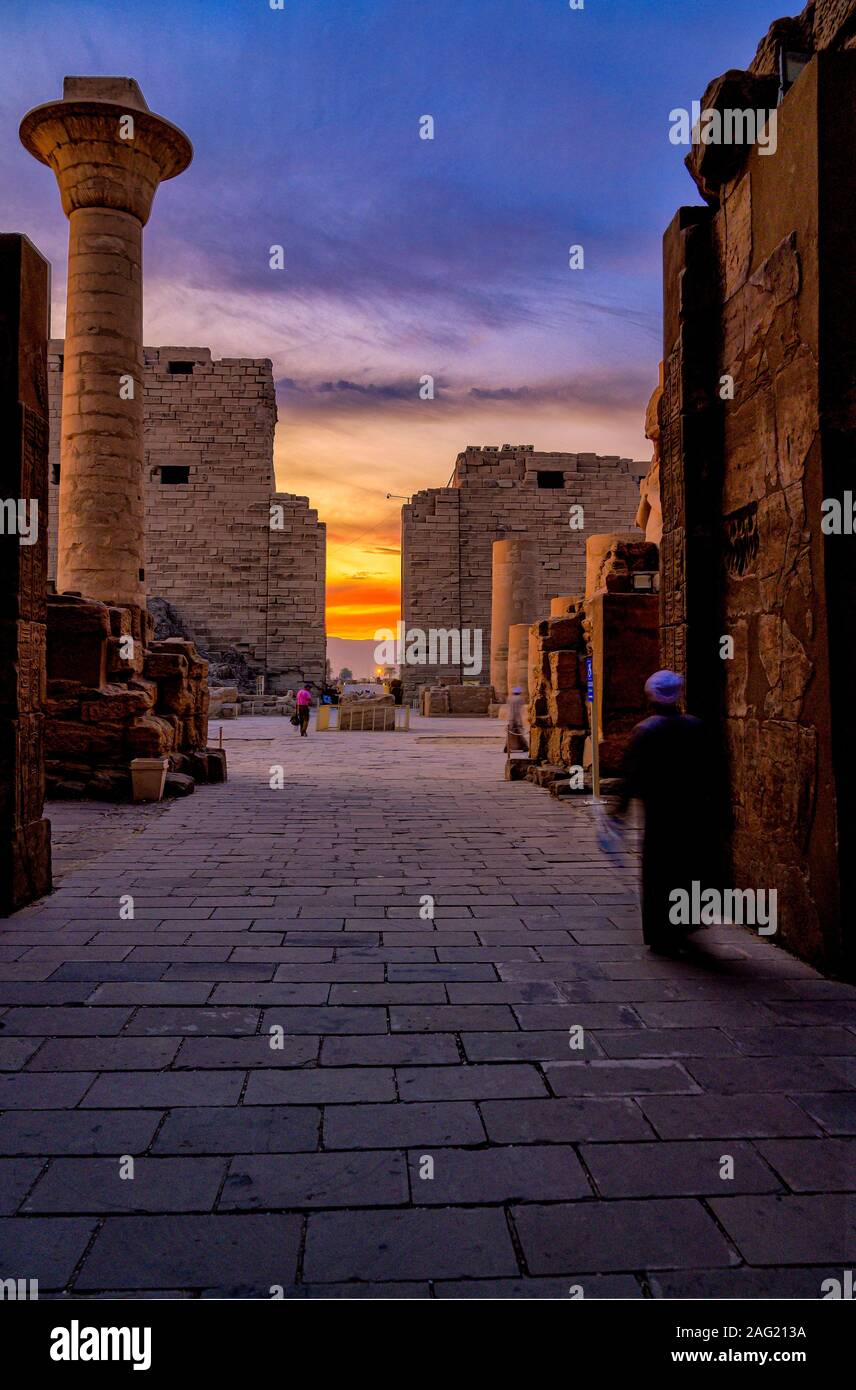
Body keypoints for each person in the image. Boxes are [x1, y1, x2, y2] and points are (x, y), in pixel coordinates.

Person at [609, 669, 725, 955]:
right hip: (692, 813)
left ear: (651, 698)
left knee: (660, 873)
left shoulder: (646, 731)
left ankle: (662, 932)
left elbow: (631, 776)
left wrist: (618, 811)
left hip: (660, 815)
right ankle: (684, 923)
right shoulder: (696, 727)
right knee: (688, 868)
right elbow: (715, 773)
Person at [506, 686, 528, 753]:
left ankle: (507, 746)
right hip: (517, 717)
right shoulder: (520, 698)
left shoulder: (510, 698)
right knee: (519, 733)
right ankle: (524, 746)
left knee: (510, 733)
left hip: (511, 717)